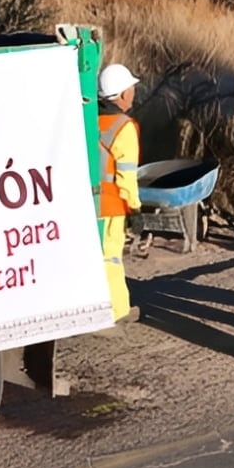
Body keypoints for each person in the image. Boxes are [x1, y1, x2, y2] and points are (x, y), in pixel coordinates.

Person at [97, 63, 142, 323]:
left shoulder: (88, 120)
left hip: (88, 203)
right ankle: (117, 311)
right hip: (112, 204)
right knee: (111, 257)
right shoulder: (124, 127)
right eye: (132, 88)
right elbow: (127, 175)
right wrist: (135, 209)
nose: (134, 93)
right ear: (123, 94)